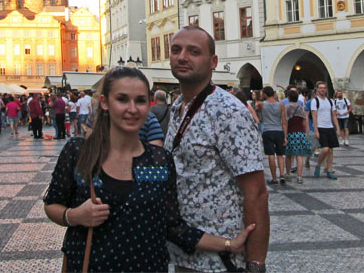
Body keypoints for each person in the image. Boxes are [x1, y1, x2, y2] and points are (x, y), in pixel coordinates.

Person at [43, 67, 255, 272]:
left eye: (141, 101)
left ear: (149, 105)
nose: (133, 109)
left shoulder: (158, 161)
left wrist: (229, 244)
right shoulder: (79, 152)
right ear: (105, 103)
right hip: (91, 264)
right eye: (122, 99)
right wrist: (74, 216)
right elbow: (52, 204)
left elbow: (173, 226)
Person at [164, 26, 269, 272]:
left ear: (213, 62)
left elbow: (256, 192)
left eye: (193, 51)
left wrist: (255, 264)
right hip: (185, 253)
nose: (182, 57)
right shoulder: (178, 106)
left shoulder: (228, 112)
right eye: (176, 50)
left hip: (221, 260)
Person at [309, 81, 341, 180]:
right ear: (317, 89)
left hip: (330, 127)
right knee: (325, 148)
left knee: (331, 150)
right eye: (320, 88)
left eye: (324, 88)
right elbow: (314, 116)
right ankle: (318, 165)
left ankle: (329, 170)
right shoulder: (315, 101)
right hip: (321, 127)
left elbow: (333, 115)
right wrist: (316, 130)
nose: (322, 90)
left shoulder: (330, 101)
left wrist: (338, 128)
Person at [260, 86, 287, 185]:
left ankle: (274, 178)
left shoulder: (262, 104)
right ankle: (282, 174)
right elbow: (284, 121)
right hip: (279, 130)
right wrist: (285, 135)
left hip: (267, 131)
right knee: (280, 155)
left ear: (265, 94)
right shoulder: (281, 105)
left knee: (271, 155)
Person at [283, 89, 311, 184]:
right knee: (299, 155)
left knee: (288, 155)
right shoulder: (301, 107)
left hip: (290, 133)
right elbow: (304, 122)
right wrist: (305, 131)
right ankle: (299, 176)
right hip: (300, 133)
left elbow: (284, 122)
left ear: (289, 98)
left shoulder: (286, 108)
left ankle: (287, 174)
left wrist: (284, 135)